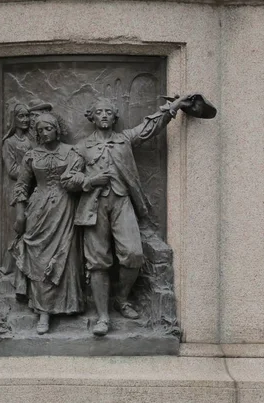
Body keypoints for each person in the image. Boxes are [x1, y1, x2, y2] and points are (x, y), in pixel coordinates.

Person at [61, 94, 194, 336]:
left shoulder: (124, 140)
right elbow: (67, 180)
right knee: (98, 261)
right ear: (91, 117)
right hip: (93, 207)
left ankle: (121, 299)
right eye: (99, 112)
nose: (104, 115)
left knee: (133, 254)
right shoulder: (81, 148)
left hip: (122, 202)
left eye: (108, 112)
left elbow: (148, 127)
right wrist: (90, 180)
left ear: (114, 117)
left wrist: (173, 107)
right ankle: (103, 317)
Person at [12, 113, 84, 334]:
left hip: (65, 207)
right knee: (41, 260)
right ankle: (43, 313)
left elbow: (78, 178)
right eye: (40, 130)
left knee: (65, 255)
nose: (44, 133)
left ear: (57, 129)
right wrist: (20, 214)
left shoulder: (71, 152)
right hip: (38, 210)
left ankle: (69, 306)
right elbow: (22, 186)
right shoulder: (31, 155)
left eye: (48, 128)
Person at [0, 103, 32, 298]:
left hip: (37, 189)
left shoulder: (32, 139)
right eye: (21, 116)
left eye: (27, 116)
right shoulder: (9, 143)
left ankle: (26, 275)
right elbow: (11, 170)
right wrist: (31, 171)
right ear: (14, 119)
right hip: (19, 191)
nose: (25, 120)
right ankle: (7, 269)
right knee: (19, 230)